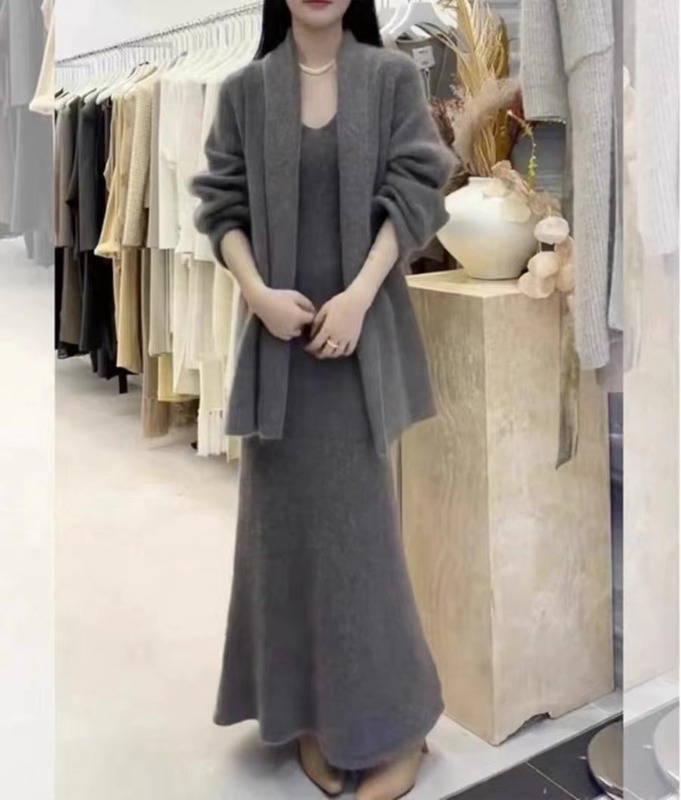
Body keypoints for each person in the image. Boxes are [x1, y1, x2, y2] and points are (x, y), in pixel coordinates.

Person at [191, 0, 454, 796]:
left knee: (361, 551)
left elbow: (416, 190)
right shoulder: (244, 91)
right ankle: (306, 717)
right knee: (281, 545)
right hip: (279, 358)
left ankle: (395, 729)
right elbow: (221, 208)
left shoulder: (390, 78)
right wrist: (257, 294)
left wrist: (359, 297)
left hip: (356, 355)